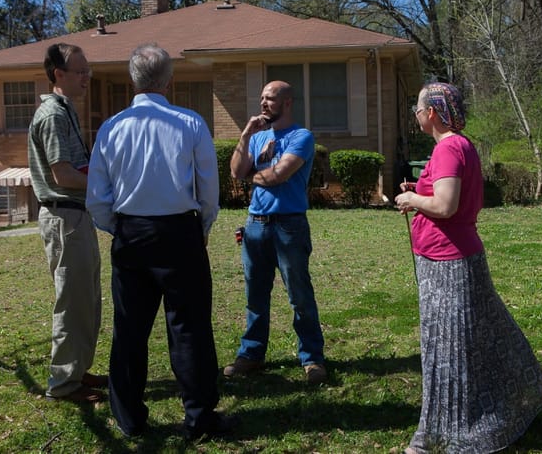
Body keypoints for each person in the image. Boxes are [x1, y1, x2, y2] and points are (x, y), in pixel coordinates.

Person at [86, 44, 238, 439]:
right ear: (170, 81)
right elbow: (208, 189)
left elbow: (97, 198)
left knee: (129, 329)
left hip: (131, 233)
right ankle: (200, 418)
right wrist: (200, 227)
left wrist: (117, 228)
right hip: (179, 232)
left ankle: (130, 419)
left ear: (132, 80)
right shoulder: (190, 123)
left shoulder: (112, 127)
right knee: (189, 327)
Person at [395, 82, 542, 453]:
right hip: (449, 258)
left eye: (417, 109)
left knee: (450, 350)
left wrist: (412, 197)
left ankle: (450, 431)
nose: (415, 115)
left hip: (448, 262)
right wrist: (421, 188)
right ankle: (466, 417)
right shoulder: (457, 146)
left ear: (430, 112)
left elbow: (446, 206)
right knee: (462, 344)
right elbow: (450, 197)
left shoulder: (449, 147)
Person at [226, 80, 327, 385]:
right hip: (256, 224)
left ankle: (312, 358)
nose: (264, 104)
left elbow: (278, 176)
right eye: (262, 99)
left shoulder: (301, 137)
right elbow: (235, 171)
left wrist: (251, 176)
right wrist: (246, 136)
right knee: (255, 295)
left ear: (287, 103)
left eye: (270, 99)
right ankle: (251, 354)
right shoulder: (256, 138)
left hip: (289, 225)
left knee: (299, 295)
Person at [28, 43, 106, 403]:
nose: (86, 76)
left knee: (87, 300)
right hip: (64, 217)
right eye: (79, 70)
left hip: (76, 216)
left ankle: (77, 372)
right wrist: (107, 185)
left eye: (87, 69)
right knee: (72, 303)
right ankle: (62, 385)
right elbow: (62, 174)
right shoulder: (53, 115)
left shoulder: (66, 110)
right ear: (58, 75)